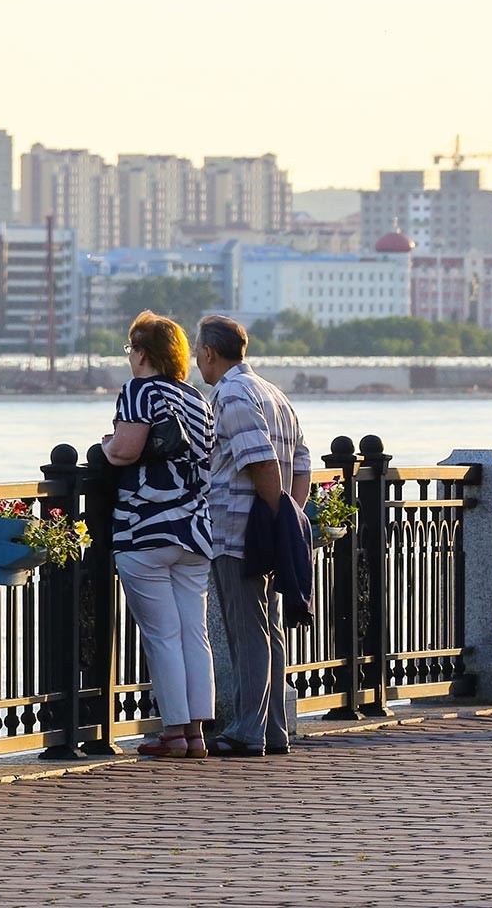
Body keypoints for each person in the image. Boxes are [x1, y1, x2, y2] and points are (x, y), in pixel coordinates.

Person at [100, 311, 216, 759]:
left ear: (142, 353)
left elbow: (126, 450)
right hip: (194, 530)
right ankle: (197, 733)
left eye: (130, 350)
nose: (129, 358)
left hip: (144, 528)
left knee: (162, 635)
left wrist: (107, 446)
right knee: (193, 631)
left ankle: (173, 731)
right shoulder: (196, 397)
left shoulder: (139, 390)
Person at [194, 315, 310, 759]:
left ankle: (246, 730)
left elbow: (261, 461)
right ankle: (273, 728)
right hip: (265, 526)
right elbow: (300, 463)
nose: (196, 360)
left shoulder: (233, 393)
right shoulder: (274, 393)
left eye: (198, 352)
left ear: (209, 352)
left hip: (237, 527)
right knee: (270, 630)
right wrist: (291, 515)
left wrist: (278, 516)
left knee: (247, 632)